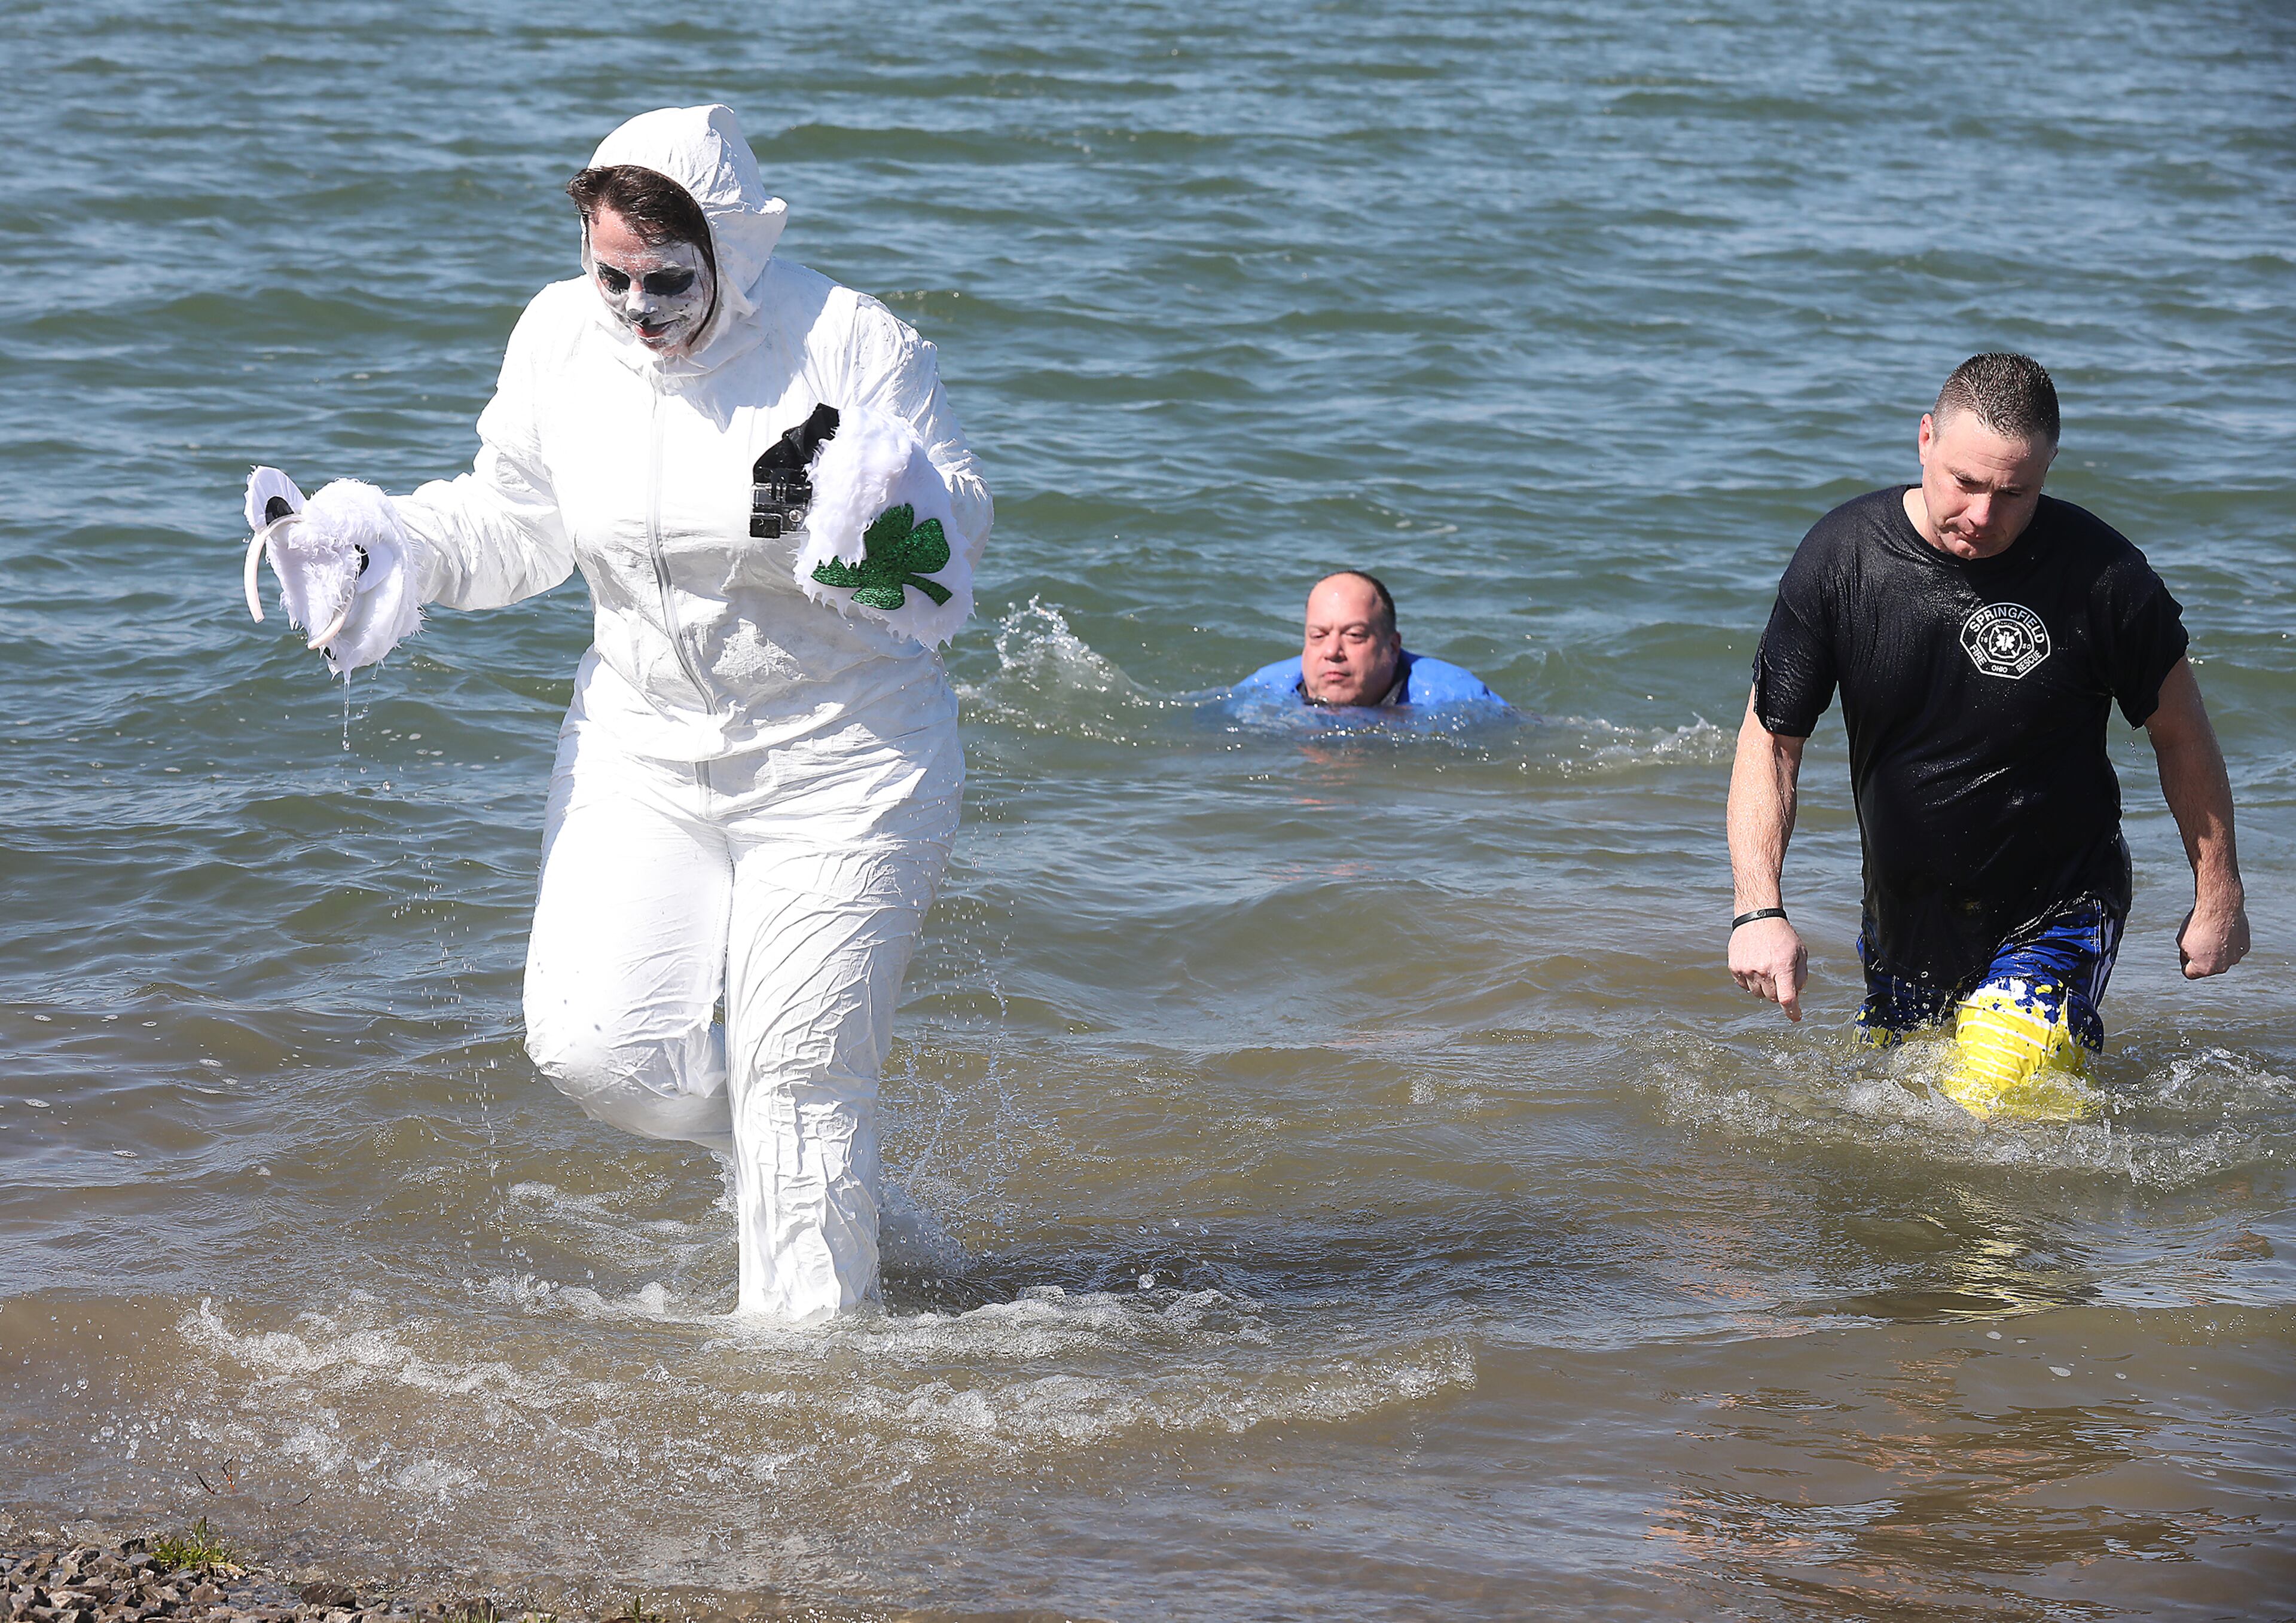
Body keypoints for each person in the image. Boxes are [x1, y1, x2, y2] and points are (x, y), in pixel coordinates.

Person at [241, 105, 991, 1316]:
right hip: (639, 745)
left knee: (798, 1069)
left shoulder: (849, 340)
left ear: (732, 251)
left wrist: (865, 502)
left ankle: (801, 1394)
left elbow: (957, 539)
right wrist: (391, 548)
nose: (637, 309)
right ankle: (820, 1187)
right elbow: (514, 522)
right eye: (613, 278)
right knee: (598, 1048)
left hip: (847, 754)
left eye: (667, 281)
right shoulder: (559, 339)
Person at [1726, 353, 2248, 1120]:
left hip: (2063, 897)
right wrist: (1758, 910)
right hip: (1905, 909)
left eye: (2014, 493)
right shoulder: (1841, 559)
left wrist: (2220, 895)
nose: (1982, 514)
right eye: (1966, 483)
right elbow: (1771, 742)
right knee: (1903, 1123)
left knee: (1993, 1088)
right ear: (1926, 439)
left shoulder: (2104, 576)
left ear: (2049, 470)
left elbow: (2182, 733)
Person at [1229, 570, 1509, 710]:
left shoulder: (1456, 700)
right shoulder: (1260, 697)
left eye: (1354, 636)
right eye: (1318, 636)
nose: (1332, 651)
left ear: (1393, 647)